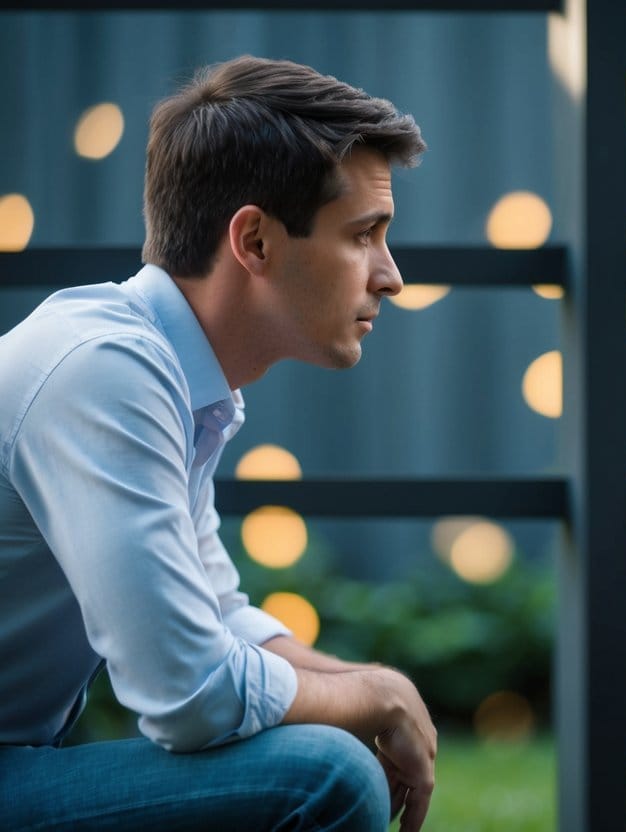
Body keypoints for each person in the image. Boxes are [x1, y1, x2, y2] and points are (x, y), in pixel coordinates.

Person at [0, 56, 436, 831]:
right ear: (256, 241)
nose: (390, 276)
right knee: (322, 776)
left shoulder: (174, 378)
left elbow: (212, 614)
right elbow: (189, 695)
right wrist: (372, 697)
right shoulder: (105, 373)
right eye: (363, 235)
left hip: (24, 758)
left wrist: (367, 682)